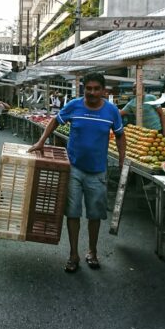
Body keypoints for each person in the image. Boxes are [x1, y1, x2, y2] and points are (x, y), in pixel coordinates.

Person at [28, 73, 125, 273]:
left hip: (98, 171)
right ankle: (73, 254)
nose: (92, 92)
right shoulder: (74, 105)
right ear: (83, 89)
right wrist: (41, 141)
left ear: (103, 90)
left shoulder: (112, 111)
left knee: (95, 214)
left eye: (96, 88)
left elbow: (120, 135)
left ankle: (92, 251)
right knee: (72, 213)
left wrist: (123, 160)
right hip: (73, 169)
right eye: (88, 88)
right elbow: (55, 120)